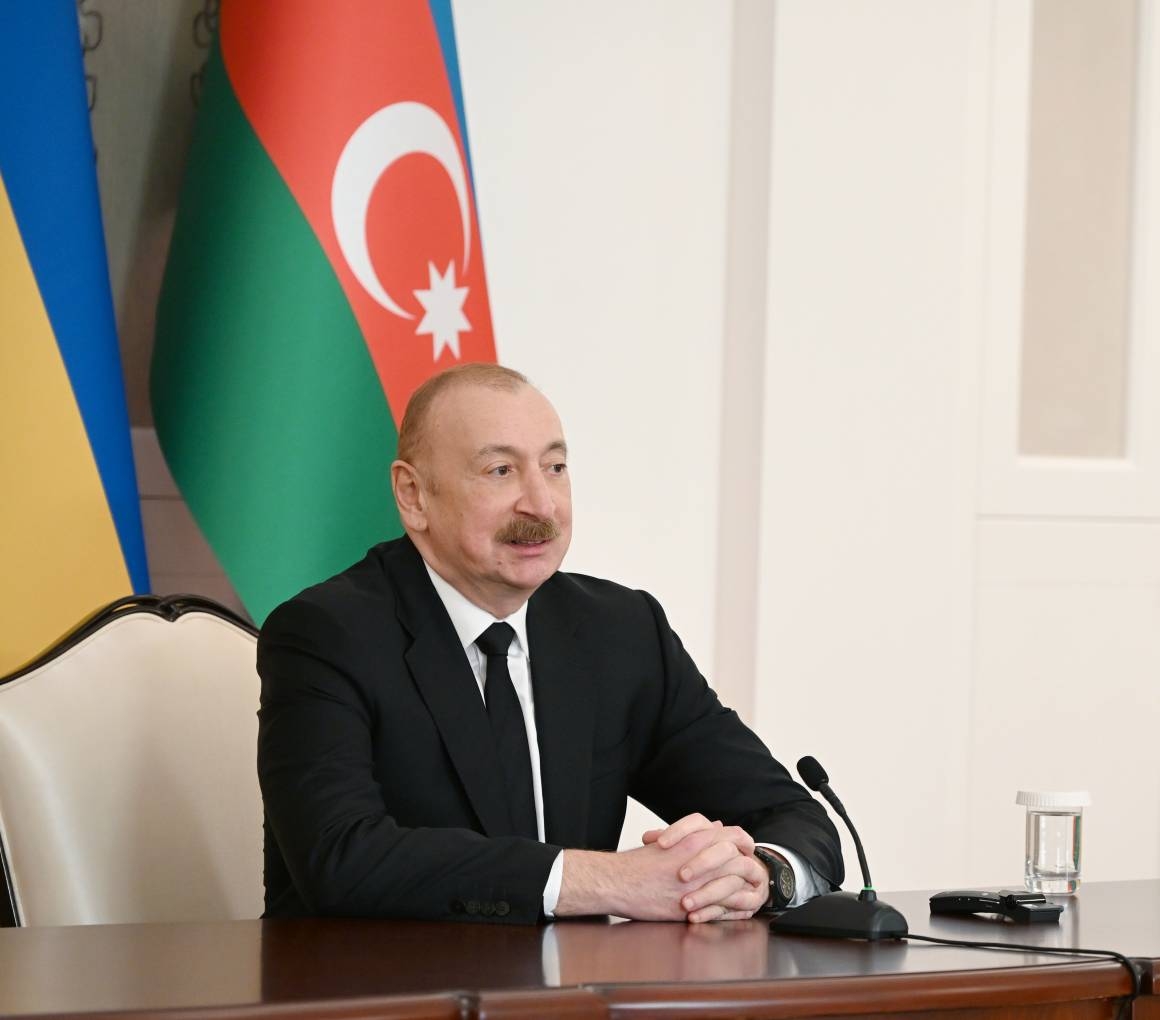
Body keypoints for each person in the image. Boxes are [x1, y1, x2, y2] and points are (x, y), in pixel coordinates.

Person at [257, 363, 843, 924]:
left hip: (570, 981)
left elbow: (789, 815)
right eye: (500, 471)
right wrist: (612, 881)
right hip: (379, 981)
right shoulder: (326, 634)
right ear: (413, 495)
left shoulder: (621, 631)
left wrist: (759, 874)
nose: (541, 505)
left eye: (555, 467)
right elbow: (341, 857)